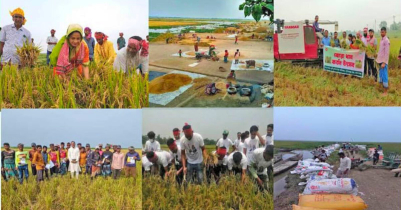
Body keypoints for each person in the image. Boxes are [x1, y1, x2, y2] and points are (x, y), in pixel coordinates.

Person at [376, 27, 390, 96]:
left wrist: (384, 62)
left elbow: (387, 52)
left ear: (385, 32)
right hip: (380, 60)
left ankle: (385, 92)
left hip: (384, 62)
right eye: (381, 32)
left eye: (383, 32)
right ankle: (381, 89)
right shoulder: (381, 40)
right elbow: (381, 51)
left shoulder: (386, 41)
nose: (382, 33)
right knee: (381, 75)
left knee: (384, 76)